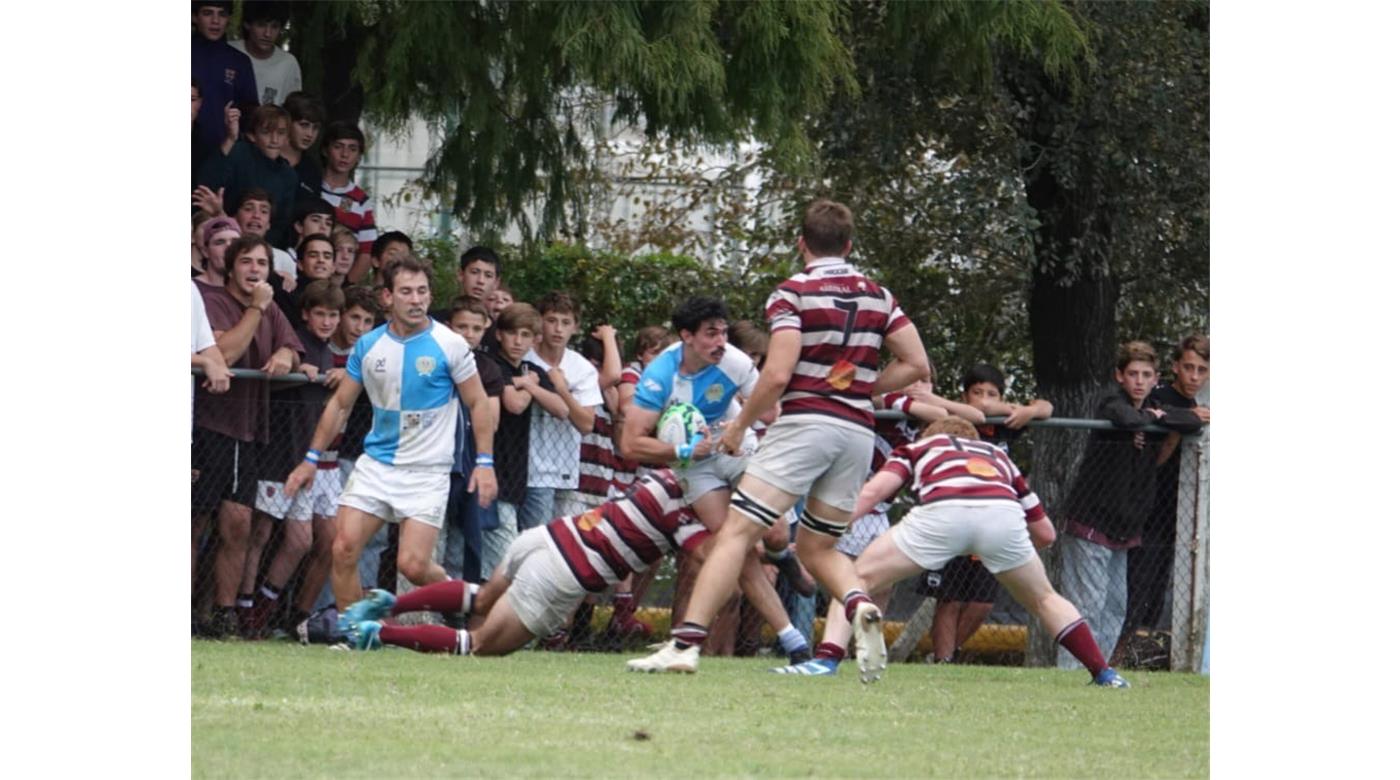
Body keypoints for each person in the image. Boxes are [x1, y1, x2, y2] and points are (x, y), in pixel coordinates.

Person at [628, 199, 929, 676]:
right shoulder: (879, 295)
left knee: (735, 533)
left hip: (807, 424)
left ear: (801, 243)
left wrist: (741, 426)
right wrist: (858, 386)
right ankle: (858, 604)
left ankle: (684, 646)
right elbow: (917, 365)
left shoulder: (793, 293)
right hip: (856, 434)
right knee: (817, 548)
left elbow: (778, 373)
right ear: (849, 246)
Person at [282, 257, 498, 630]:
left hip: (427, 471)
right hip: (377, 465)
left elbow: (478, 402)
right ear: (387, 297)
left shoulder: (450, 345)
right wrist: (310, 458)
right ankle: (358, 635)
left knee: (412, 566)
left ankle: (480, 600)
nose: (416, 300)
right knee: (343, 548)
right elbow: (340, 403)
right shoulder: (368, 346)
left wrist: (485, 462)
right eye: (406, 292)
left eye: (422, 292)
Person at [840, 417, 1131, 687]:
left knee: (856, 578)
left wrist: (833, 528)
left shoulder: (920, 446)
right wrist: (1005, 555)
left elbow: (872, 493)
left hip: (942, 513)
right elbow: (1046, 534)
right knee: (1045, 598)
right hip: (1001, 518)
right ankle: (1104, 673)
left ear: (931, 436)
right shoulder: (998, 457)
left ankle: (827, 658)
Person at [339, 471, 708, 657]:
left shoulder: (660, 477)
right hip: (562, 572)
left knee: (483, 598)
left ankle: (389, 604)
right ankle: (378, 633)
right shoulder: (686, 513)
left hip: (544, 537)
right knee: (479, 645)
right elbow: (709, 555)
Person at [1055, 340, 1205, 669]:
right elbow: (1126, 419)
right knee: (1087, 606)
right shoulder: (1111, 401)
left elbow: (1192, 422)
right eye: (1133, 374)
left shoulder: (1153, 404)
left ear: (1156, 379)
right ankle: (1068, 674)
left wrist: (1159, 416)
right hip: (1090, 521)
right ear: (1119, 376)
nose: (1139, 381)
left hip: (1125, 527)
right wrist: (1154, 417)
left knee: (1115, 607)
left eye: (1146, 375)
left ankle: (1098, 672)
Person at [193, 234, 304, 638]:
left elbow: (293, 347)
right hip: (209, 426)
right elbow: (225, 355)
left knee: (237, 525)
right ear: (230, 265)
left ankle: (222, 613)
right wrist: (256, 310)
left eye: (262, 263)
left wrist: (285, 356)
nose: (255, 270)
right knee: (195, 522)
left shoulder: (271, 308)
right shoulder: (211, 301)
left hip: (249, 430)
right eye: (247, 262)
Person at [925, 363, 1053, 664]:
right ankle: (943, 662)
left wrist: (1030, 410)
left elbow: (1047, 406)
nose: (983, 400)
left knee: (981, 603)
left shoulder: (1005, 423)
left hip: (993, 523)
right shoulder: (950, 422)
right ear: (964, 396)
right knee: (950, 597)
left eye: (991, 394)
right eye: (976, 393)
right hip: (954, 516)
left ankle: (947, 656)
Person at [241, 280, 346, 637]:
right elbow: (270, 375)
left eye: (334, 315)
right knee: (266, 534)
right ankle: (248, 609)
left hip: (314, 458)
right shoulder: (296, 343)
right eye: (320, 314)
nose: (328, 321)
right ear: (305, 314)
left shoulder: (328, 352)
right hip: (281, 454)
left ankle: (294, 616)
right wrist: (295, 370)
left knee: (323, 543)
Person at [1117, 335, 1210, 664]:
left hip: (1182, 513)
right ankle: (1113, 654)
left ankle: (1138, 652)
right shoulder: (1158, 396)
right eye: (1188, 367)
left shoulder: (1202, 405)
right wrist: (1184, 421)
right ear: (1174, 367)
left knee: (1158, 588)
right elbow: (1162, 427)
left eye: (1202, 369)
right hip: (1145, 507)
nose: (1194, 376)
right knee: (1135, 584)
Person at [479, 303, 568, 576]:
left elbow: (562, 409)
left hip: (520, 475)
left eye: (526, 335)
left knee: (520, 553)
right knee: (504, 558)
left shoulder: (532, 371)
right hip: (492, 469)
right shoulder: (493, 365)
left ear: (535, 339)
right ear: (499, 335)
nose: (518, 342)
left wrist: (528, 383)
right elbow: (514, 404)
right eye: (512, 333)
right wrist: (530, 385)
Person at [522, 292, 602, 528]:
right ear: (540, 322)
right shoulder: (523, 358)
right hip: (530, 469)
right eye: (551, 320)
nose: (558, 329)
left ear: (575, 327)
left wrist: (562, 389)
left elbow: (587, 424)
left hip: (568, 472)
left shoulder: (582, 368)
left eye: (565, 322)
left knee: (565, 542)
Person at [442, 298, 507, 583]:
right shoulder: (433, 359)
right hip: (432, 460)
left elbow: (491, 421)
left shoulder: (488, 368)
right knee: (432, 539)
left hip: (469, 460)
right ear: (447, 327)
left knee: (462, 540)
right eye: (461, 327)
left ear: (486, 329)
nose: (468, 334)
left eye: (475, 328)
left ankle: (456, 608)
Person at [195, 103, 299, 247]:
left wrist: (261, 249)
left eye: (280, 133)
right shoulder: (239, 153)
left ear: (287, 137)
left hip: (262, 247)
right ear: (252, 135)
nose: (274, 140)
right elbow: (207, 185)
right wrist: (231, 138)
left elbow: (280, 224)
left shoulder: (289, 175)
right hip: (220, 236)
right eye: (266, 132)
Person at [191, 2, 256, 157]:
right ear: (194, 17)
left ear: (229, 19)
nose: (216, 21)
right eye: (208, 13)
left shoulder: (239, 61)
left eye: (222, 14)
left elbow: (251, 113)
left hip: (225, 152)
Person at [319, 122, 378, 282]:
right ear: (325, 150)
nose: (345, 154)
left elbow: (366, 252)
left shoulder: (362, 201)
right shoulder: (309, 188)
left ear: (359, 156)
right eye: (338, 146)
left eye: (352, 149)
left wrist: (345, 287)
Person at [228, 1, 302, 106]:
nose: (268, 33)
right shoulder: (229, 51)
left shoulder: (288, 63)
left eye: (274, 27)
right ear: (247, 24)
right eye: (261, 25)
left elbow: (293, 110)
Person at [281, 92, 325, 202]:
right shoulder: (267, 158)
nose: (310, 134)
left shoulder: (312, 170)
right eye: (304, 125)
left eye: (315, 128)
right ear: (287, 122)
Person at [193, 217, 241, 290]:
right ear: (205, 252)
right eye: (220, 242)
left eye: (235, 242)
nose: (229, 247)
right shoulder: (192, 289)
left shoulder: (250, 290)